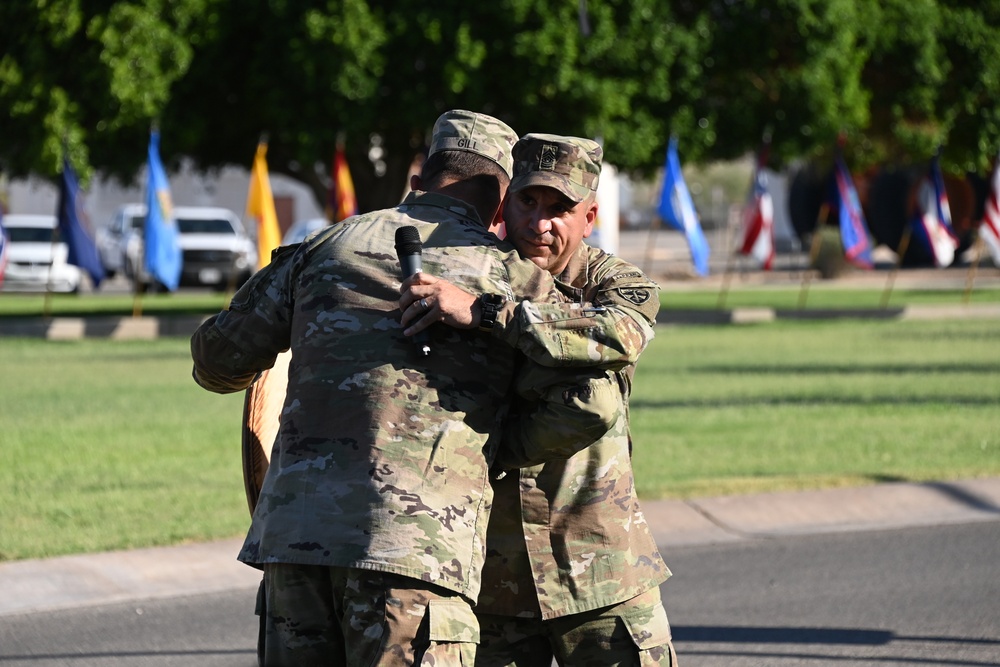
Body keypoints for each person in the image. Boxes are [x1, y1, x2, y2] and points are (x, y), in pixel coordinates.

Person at [192, 110, 641, 666]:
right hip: (418, 558)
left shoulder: (322, 247)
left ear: (416, 183)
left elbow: (215, 361)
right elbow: (592, 402)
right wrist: (490, 451)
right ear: (502, 206)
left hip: (293, 546)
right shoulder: (513, 276)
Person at [404, 134, 676, 665]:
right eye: (528, 202)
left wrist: (489, 314)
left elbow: (619, 333)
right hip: (493, 582)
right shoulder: (472, 272)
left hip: (601, 574)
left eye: (560, 209)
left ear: (589, 216)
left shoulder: (614, 283)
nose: (540, 222)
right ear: (506, 203)